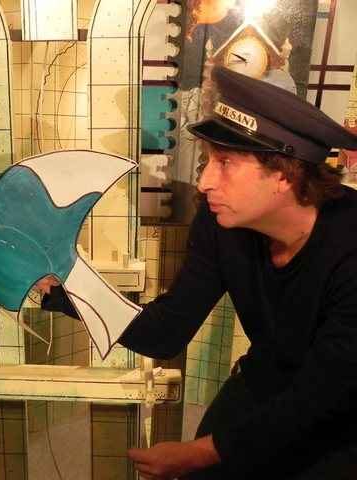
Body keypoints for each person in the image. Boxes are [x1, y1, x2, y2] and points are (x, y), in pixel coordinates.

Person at [38, 66, 357, 479]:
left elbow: (320, 396)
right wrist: (63, 291)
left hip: (341, 411)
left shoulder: (349, 247)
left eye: (225, 162)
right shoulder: (220, 221)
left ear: (283, 173)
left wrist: (196, 454)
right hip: (266, 379)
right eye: (207, 160)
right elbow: (166, 330)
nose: (204, 182)